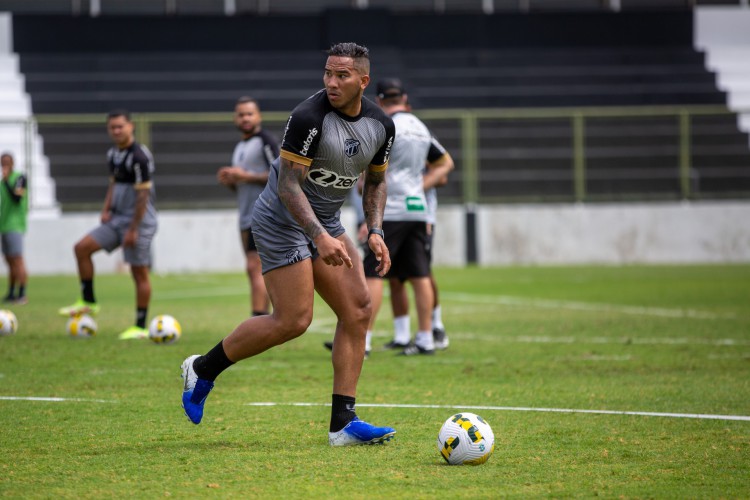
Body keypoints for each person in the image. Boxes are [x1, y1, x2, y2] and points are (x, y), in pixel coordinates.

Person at [180, 42, 397, 447]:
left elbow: (377, 182)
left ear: (363, 81)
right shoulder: (308, 117)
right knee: (294, 320)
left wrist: (376, 230)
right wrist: (319, 237)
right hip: (281, 220)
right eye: (328, 73)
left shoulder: (381, 126)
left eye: (342, 75)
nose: (332, 82)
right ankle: (202, 369)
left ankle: (342, 424)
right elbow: (288, 186)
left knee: (359, 310)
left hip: (327, 221)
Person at [362, 78, 454, 356]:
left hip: (390, 209)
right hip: (417, 209)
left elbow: (371, 166)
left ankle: (362, 340)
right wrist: (421, 186)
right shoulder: (420, 127)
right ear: (404, 100)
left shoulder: (386, 125)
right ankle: (425, 338)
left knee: (373, 273)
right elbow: (445, 163)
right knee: (420, 274)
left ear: (379, 101)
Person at [58, 109, 158, 340]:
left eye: (120, 126)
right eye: (112, 127)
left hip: (138, 222)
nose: (116, 131)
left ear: (130, 126)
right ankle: (88, 301)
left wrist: (133, 229)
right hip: (117, 218)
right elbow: (113, 184)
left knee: (138, 272)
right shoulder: (113, 153)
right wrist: (106, 209)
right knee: (81, 248)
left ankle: (140, 327)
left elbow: (143, 196)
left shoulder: (140, 157)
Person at [217, 96, 279, 317]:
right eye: (241, 114)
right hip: (245, 215)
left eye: (249, 113)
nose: (245, 118)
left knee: (255, 267)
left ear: (258, 116)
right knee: (256, 268)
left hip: (263, 214)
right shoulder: (240, 146)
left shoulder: (265, 141)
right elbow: (244, 185)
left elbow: (280, 175)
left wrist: (244, 175)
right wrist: (233, 182)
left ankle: (258, 320)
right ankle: (270, 318)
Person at [0, 152, 29, 305]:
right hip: (3, 225)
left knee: (18, 259)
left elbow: (17, 199)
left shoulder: (19, 178)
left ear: (12, 163)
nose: (4, 165)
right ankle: (11, 293)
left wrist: (5, 182)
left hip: (15, 224)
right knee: (9, 260)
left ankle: (22, 294)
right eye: (2, 162)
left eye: (7, 162)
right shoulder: (1, 183)